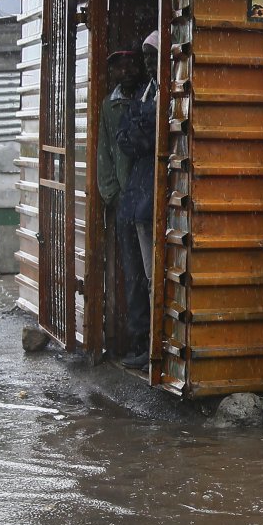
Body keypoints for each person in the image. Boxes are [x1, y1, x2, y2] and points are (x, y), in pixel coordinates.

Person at [113, 30, 159, 369]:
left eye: (151, 55)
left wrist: (140, 131)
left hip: (152, 196)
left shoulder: (164, 92)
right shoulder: (148, 92)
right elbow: (127, 140)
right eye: (146, 57)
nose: (148, 63)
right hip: (139, 199)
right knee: (143, 275)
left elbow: (146, 139)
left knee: (154, 274)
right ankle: (146, 344)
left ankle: (155, 346)